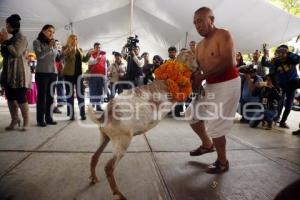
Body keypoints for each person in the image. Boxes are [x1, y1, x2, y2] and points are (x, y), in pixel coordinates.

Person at [186, 7, 240, 173]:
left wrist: (201, 78)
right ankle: (207, 145)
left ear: (212, 19)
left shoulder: (223, 35)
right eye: (195, 23)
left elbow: (228, 62)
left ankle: (222, 162)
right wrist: (189, 80)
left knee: (216, 125)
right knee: (191, 114)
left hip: (228, 83)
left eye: (201, 21)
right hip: (209, 84)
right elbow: (197, 69)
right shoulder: (199, 46)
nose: (198, 25)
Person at [0, 14, 31, 131]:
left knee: (20, 96)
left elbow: (16, 52)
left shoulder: (21, 37)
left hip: (19, 72)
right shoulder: (11, 38)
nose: (5, 27)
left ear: (12, 26)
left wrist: (6, 41)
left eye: (7, 25)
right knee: (10, 97)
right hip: (8, 72)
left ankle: (26, 121)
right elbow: (5, 54)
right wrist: (2, 43)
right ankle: (15, 119)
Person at [33, 24, 58, 127]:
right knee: (42, 97)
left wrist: (58, 50)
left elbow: (56, 58)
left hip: (53, 73)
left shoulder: (53, 43)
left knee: (50, 97)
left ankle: (49, 118)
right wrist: (49, 47)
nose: (51, 34)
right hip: (42, 73)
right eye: (49, 31)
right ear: (43, 31)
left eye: (53, 32)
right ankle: (40, 120)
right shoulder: (37, 42)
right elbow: (39, 56)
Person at [62, 34, 90, 120]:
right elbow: (65, 58)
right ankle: (71, 115)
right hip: (68, 75)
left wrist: (88, 54)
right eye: (73, 39)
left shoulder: (80, 49)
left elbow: (84, 60)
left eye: (76, 39)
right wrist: (70, 50)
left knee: (80, 95)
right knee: (69, 95)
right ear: (70, 40)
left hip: (79, 75)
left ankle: (82, 114)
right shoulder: (65, 48)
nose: (75, 41)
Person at [88, 42, 106, 111]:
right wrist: (98, 56)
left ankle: (98, 106)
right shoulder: (91, 55)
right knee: (93, 90)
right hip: (93, 75)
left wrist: (105, 75)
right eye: (97, 47)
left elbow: (105, 66)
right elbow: (91, 62)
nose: (98, 49)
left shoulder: (104, 56)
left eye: (99, 47)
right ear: (94, 48)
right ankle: (92, 106)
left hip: (101, 75)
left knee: (99, 91)